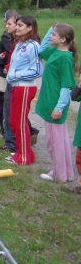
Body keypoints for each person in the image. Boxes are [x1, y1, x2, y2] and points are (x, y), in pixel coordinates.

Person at [35, 23, 77, 182]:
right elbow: (41, 50)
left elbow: (66, 86)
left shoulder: (65, 58)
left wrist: (59, 107)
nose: (50, 36)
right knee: (61, 140)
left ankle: (59, 174)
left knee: (54, 142)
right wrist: (49, 30)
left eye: (53, 34)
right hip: (49, 102)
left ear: (63, 39)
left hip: (55, 105)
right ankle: (67, 173)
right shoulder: (54, 51)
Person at [5, 15, 43, 166]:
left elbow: (38, 70)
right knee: (14, 121)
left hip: (25, 87)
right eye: (17, 25)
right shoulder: (20, 43)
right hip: (16, 87)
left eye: (20, 25)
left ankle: (26, 157)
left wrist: (15, 75)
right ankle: (20, 153)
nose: (17, 27)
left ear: (30, 28)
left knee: (20, 123)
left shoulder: (34, 46)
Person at [0, 10, 19, 136]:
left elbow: (11, 55)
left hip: (7, 75)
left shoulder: (8, 36)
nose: (6, 25)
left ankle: (6, 132)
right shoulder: (16, 37)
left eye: (9, 23)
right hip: (10, 74)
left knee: (3, 103)